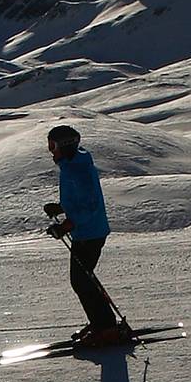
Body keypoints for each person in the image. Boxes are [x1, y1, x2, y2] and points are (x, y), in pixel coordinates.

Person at [43, 124, 129, 348]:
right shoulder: (73, 165)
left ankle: (106, 328)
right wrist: (62, 208)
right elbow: (79, 200)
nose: (51, 151)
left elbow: (89, 206)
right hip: (87, 231)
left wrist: (66, 226)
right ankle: (102, 323)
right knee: (84, 280)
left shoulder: (77, 169)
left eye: (53, 146)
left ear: (64, 146)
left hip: (90, 232)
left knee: (81, 281)